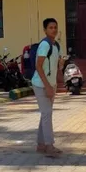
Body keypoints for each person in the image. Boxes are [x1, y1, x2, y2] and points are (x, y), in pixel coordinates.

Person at [31, 18, 62, 158]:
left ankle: (41, 144)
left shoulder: (56, 45)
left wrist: (61, 63)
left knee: (45, 114)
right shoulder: (44, 45)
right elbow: (38, 66)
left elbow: (55, 66)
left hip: (51, 84)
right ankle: (49, 145)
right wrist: (48, 86)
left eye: (55, 27)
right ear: (45, 30)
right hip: (41, 84)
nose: (53, 30)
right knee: (47, 114)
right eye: (50, 27)